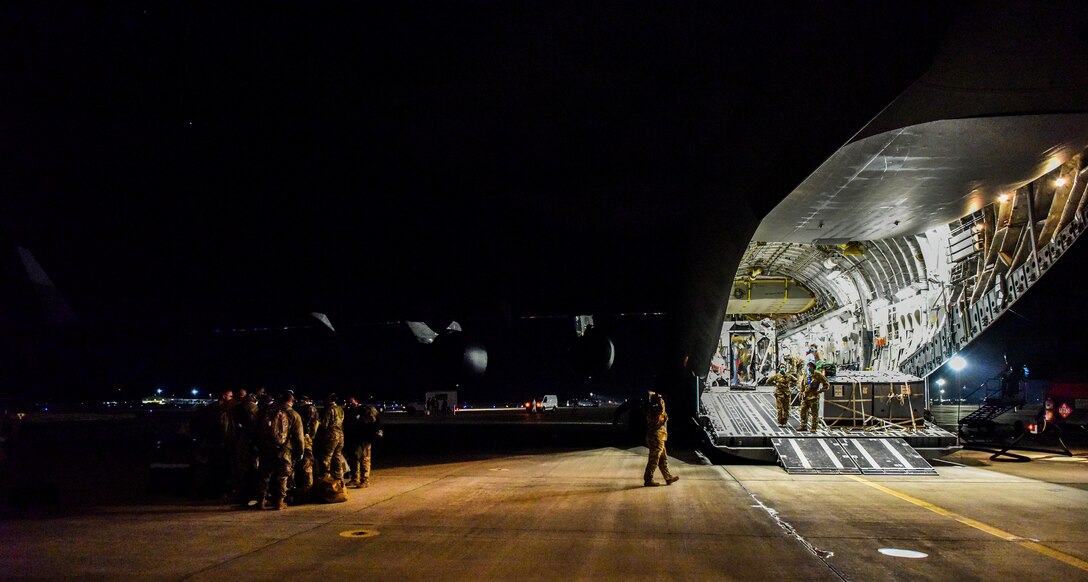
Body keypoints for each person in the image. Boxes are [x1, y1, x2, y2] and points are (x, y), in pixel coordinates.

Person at [254, 392, 305, 510]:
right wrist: (300, 451)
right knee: (282, 476)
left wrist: (257, 445)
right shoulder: (293, 414)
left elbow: (256, 429)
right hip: (284, 449)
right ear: (291, 401)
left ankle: (261, 501)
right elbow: (299, 436)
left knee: (264, 475)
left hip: (266, 448)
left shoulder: (266, 411)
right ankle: (279, 502)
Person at [643, 392, 679, 487]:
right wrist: (660, 401)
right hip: (656, 437)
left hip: (659, 437)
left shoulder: (653, 408)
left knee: (663, 458)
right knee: (654, 459)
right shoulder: (655, 409)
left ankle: (668, 477)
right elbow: (661, 411)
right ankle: (648, 479)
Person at [346, 406, 382, 488]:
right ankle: (355, 478)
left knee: (365, 459)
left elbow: (374, 425)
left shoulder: (369, 412)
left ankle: (365, 480)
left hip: (366, 439)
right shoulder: (356, 412)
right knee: (355, 458)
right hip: (358, 438)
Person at [315, 393, 345, 483]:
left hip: (331, 435)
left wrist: (318, 423)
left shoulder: (330, 409)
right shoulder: (340, 409)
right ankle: (339, 478)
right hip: (340, 435)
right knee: (337, 456)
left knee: (326, 457)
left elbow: (324, 425)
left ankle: (326, 479)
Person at [798, 361, 830, 432]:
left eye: (810, 366)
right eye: (808, 366)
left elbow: (826, 384)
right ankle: (803, 426)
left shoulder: (818, 374)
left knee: (814, 413)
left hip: (813, 397)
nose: (809, 367)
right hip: (805, 397)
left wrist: (820, 391)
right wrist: (801, 392)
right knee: (803, 411)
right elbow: (803, 384)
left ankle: (814, 427)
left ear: (813, 367)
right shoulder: (807, 374)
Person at [767, 362, 798, 427]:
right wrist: (775, 384)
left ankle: (785, 421)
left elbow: (795, 380)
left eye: (783, 367)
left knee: (786, 409)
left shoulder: (789, 375)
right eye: (781, 367)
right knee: (780, 409)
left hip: (786, 394)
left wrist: (791, 385)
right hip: (779, 393)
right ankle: (780, 422)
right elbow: (768, 381)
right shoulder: (776, 376)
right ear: (779, 368)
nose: (782, 368)